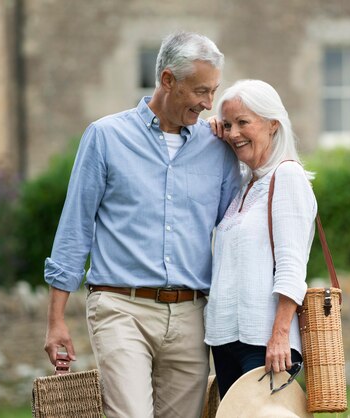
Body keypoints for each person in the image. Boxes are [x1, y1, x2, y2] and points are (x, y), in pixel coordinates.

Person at [43, 31, 241, 418]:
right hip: (120, 307)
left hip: (190, 314)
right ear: (168, 80)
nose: (208, 103)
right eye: (201, 90)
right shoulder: (105, 137)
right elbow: (74, 228)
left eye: (213, 91)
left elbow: (238, 228)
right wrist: (55, 321)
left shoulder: (217, 149)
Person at [204, 79, 317, 398]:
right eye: (227, 124)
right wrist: (208, 135)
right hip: (225, 341)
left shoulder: (287, 177)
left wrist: (280, 334)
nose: (234, 133)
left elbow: (292, 266)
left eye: (243, 122)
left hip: (265, 341)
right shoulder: (242, 185)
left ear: (272, 125)